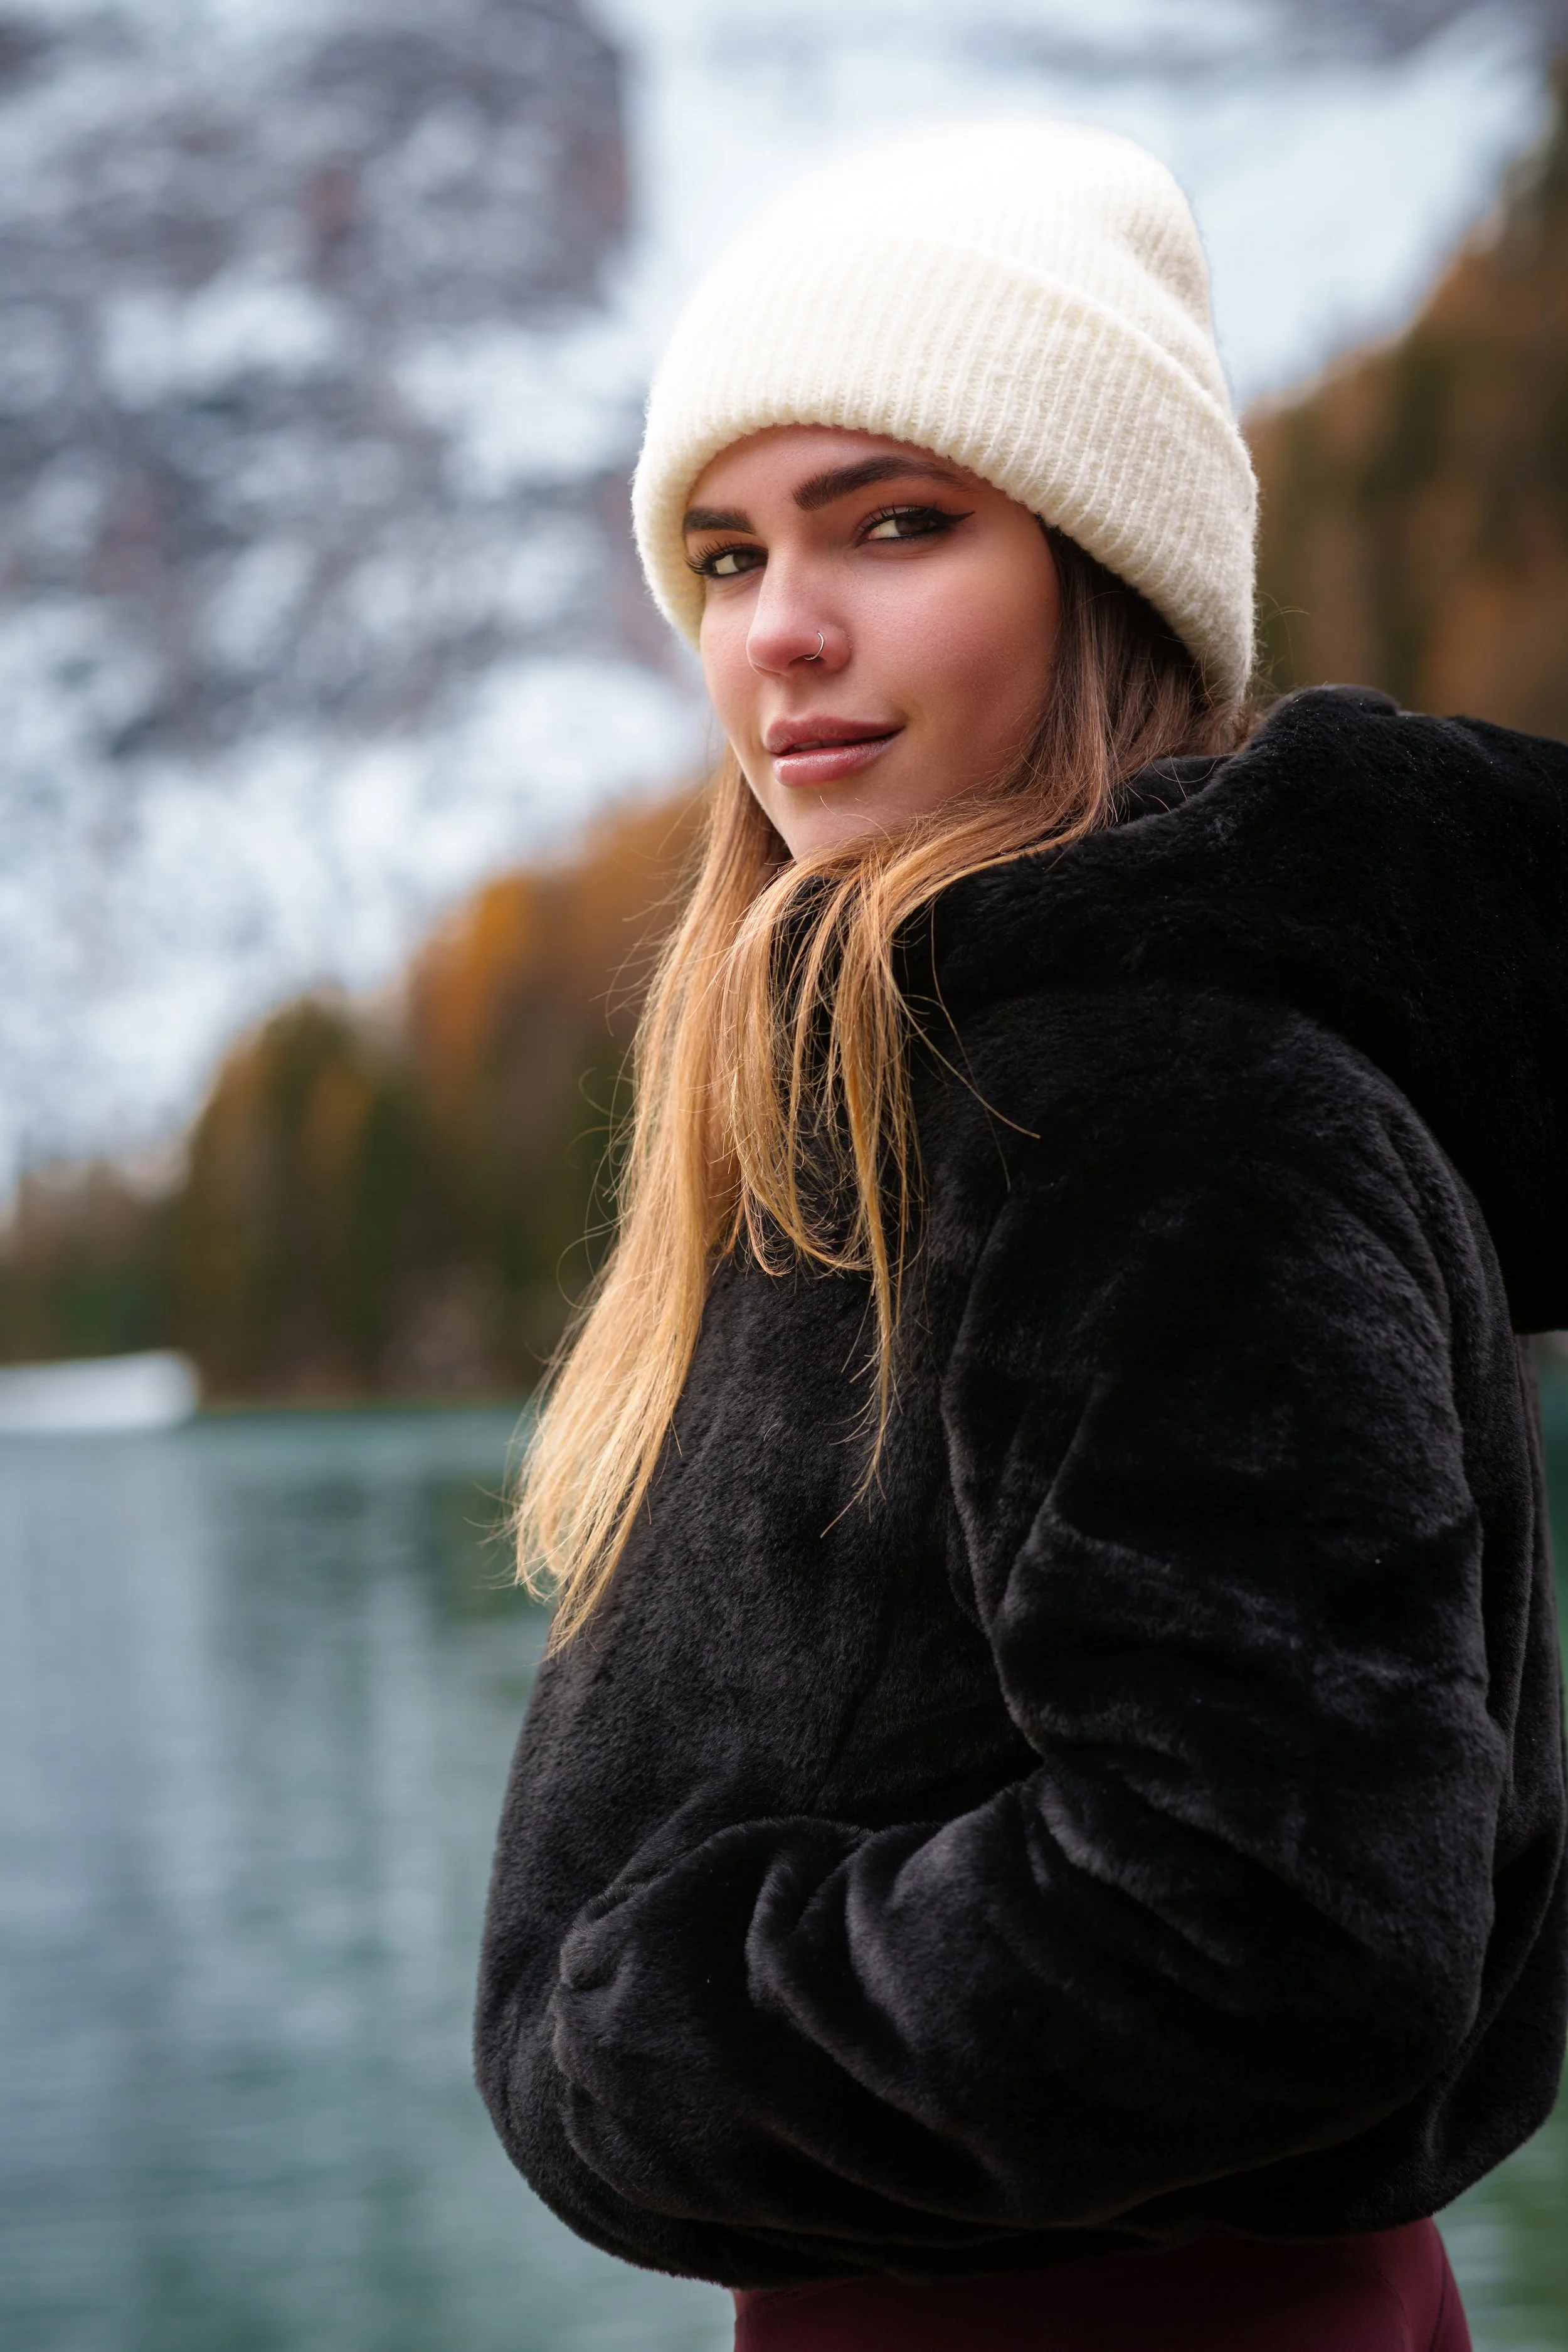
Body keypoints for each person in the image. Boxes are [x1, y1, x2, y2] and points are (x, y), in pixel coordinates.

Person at [475, 120, 1568, 2350]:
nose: (783, 629)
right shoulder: (934, 1065)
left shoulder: (1145, 1102)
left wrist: (642, 2031)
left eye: (895, 522)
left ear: (1097, 572)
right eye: (722, 550)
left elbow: (1281, 1903)